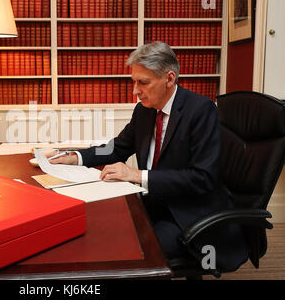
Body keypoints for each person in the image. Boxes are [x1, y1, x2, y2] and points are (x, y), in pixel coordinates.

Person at [48, 41, 248, 272]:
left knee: (129, 251)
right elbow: (118, 148)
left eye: (143, 82)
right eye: (134, 82)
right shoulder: (144, 109)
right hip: (152, 202)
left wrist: (136, 174)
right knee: (99, 228)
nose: (135, 90)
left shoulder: (201, 111)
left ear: (169, 79)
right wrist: (75, 157)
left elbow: (202, 178)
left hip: (187, 213)